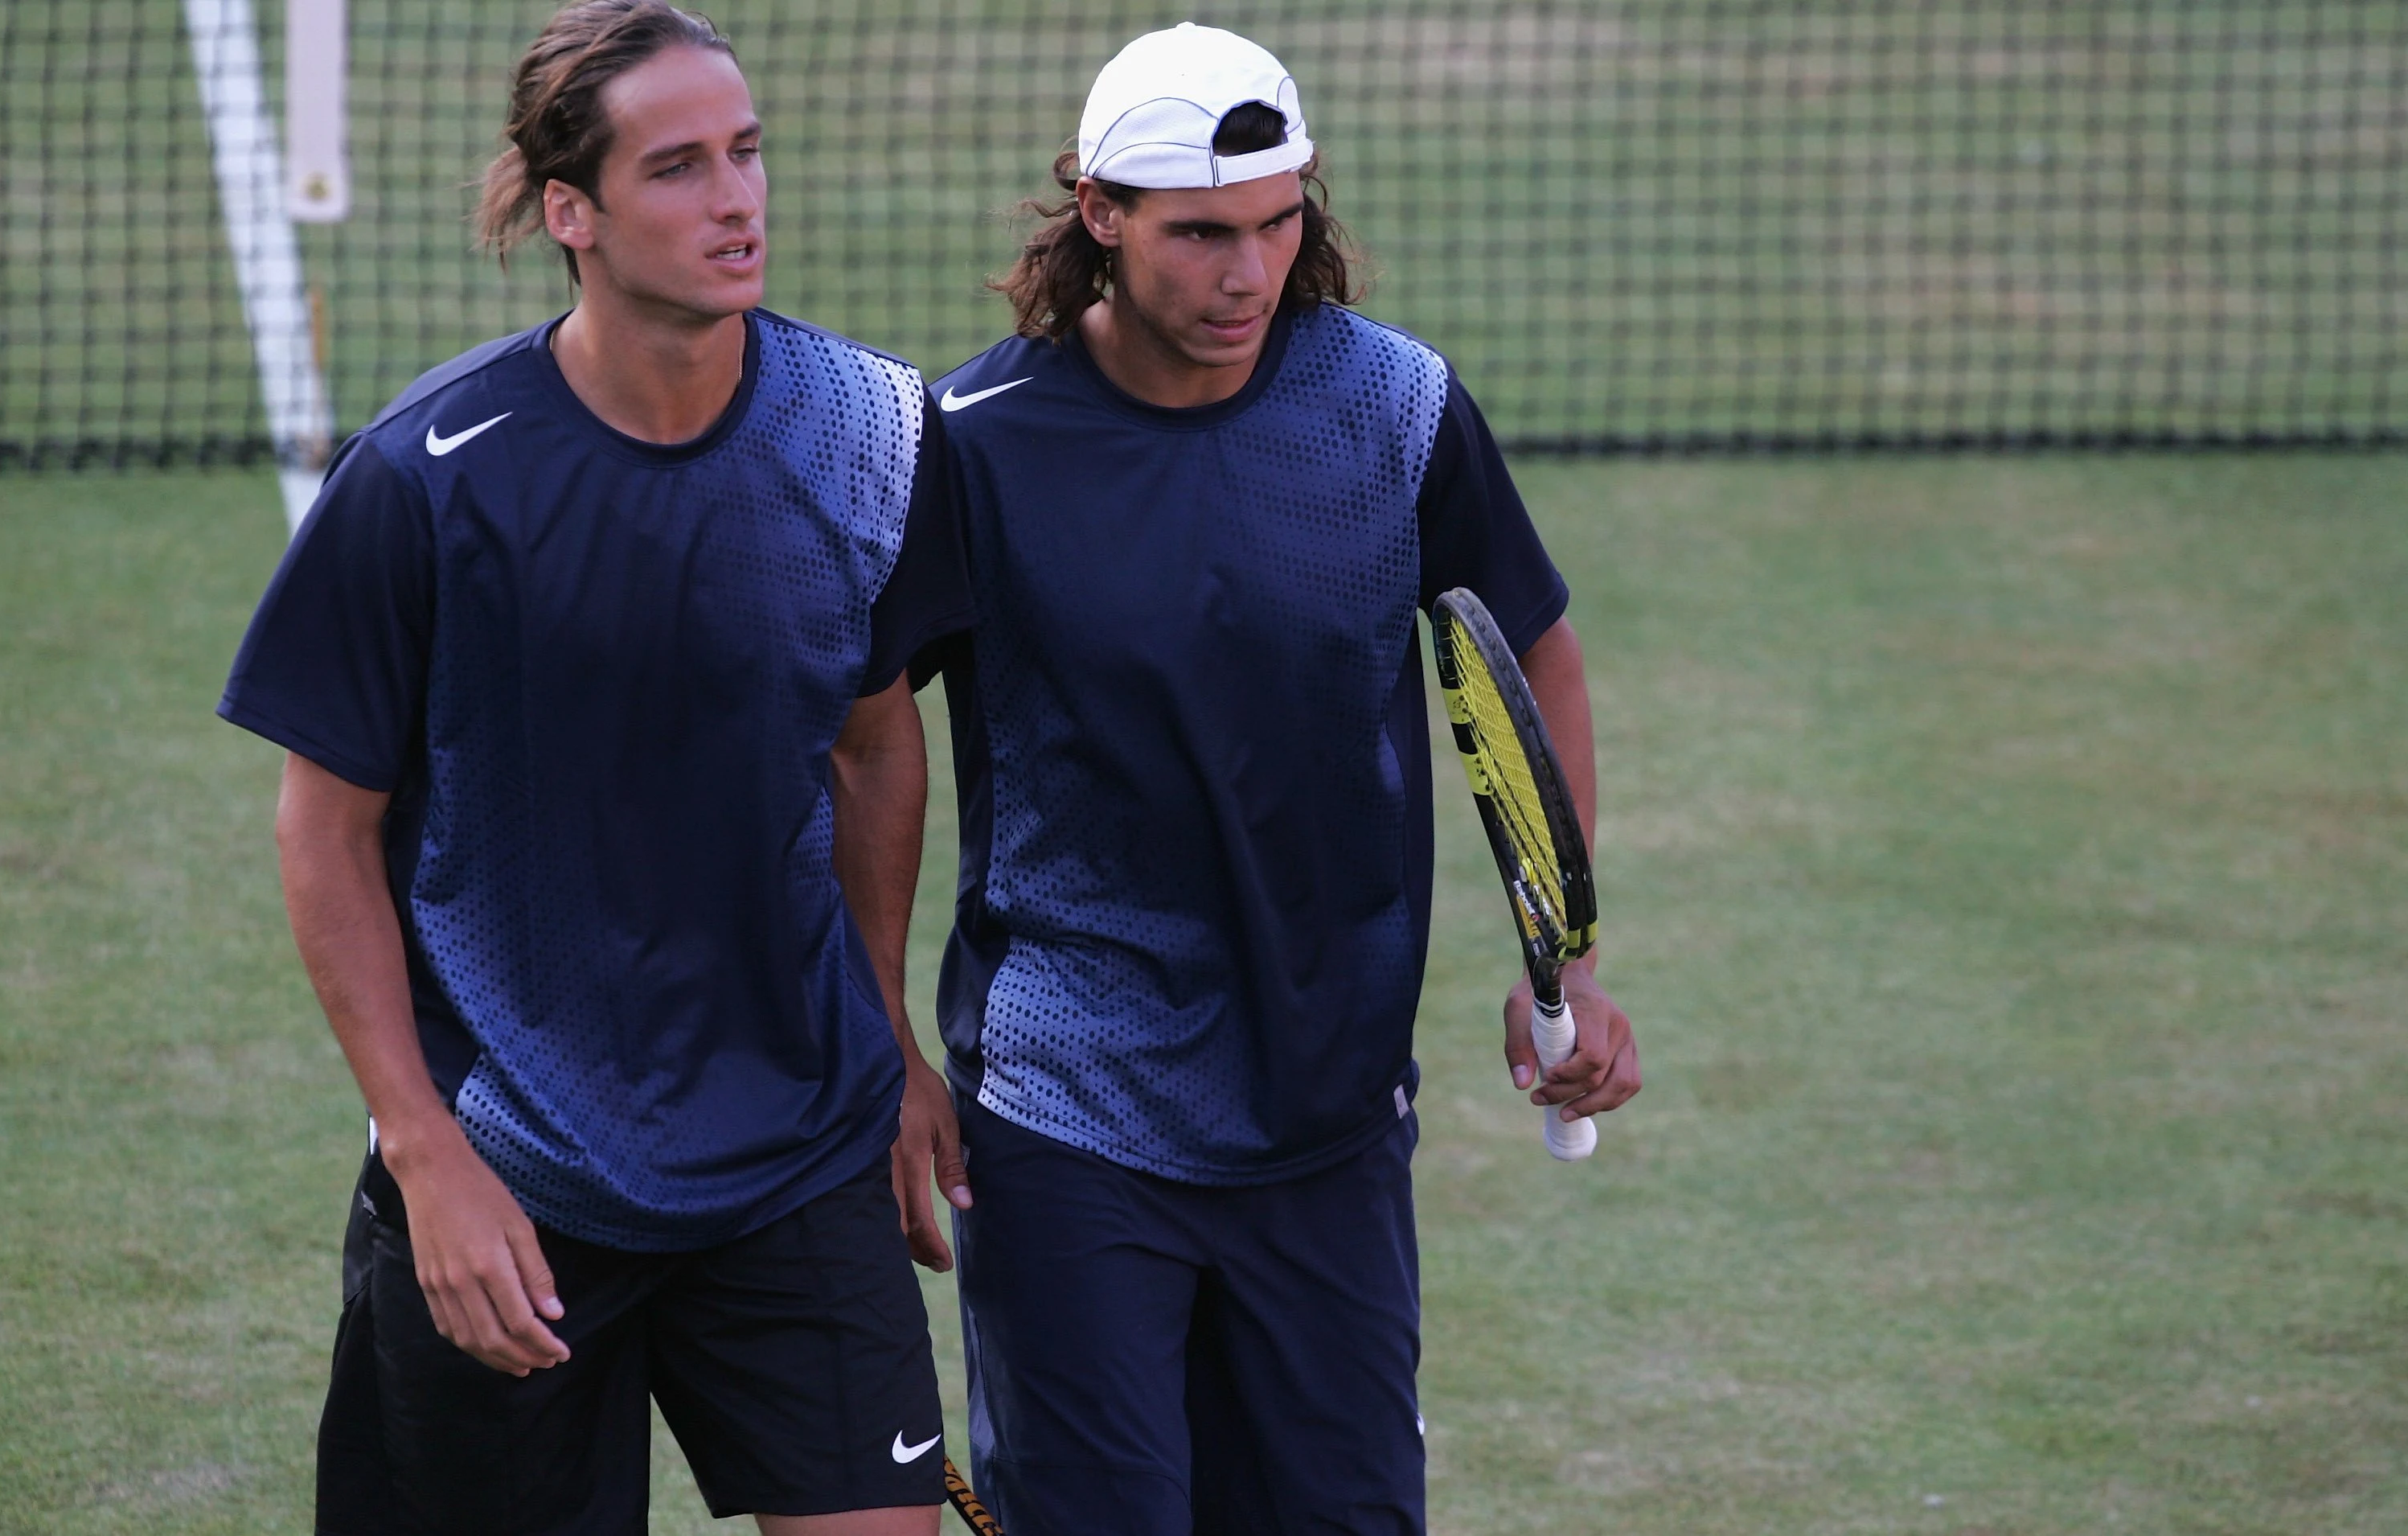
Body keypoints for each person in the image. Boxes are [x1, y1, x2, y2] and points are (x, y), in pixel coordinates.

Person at [215, 4, 971, 1531]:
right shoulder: (428, 483)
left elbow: (878, 742)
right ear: (573, 212)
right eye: (680, 167)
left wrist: (879, 1030)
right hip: (519, 1169)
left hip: (797, 1150)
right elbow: (324, 832)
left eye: (746, 154)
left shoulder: (872, 433)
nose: (738, 198)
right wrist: (425, 1153)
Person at [919, 23, 1643, 1534]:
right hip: (1069, 1110)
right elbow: (849, 742)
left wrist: (1558, 953)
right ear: (1101, 211)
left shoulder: (1393, 409)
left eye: (1276, 221)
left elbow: (1538, 653)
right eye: (1198, 233)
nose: (1246, 274)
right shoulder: (970, 448)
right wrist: (875, 1042)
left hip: (1332, 1114)